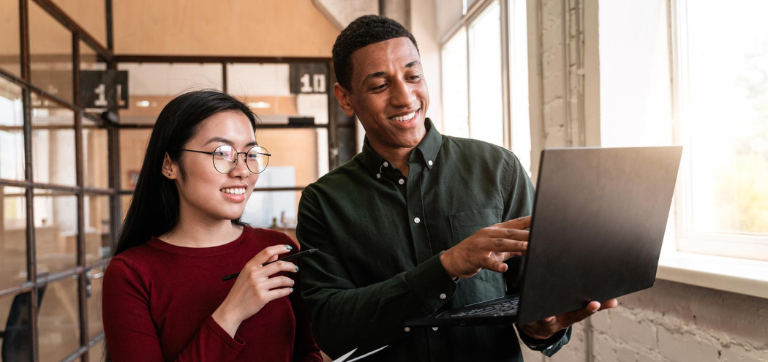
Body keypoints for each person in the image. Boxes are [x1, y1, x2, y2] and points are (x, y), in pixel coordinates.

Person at [296, 15, 617, 362]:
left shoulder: (499, 169)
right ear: (345, 98)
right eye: (379, 86)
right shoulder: (323, 202)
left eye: (413, 76)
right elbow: (331, 328)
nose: (405, 98)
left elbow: (535, 296)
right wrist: (446, 265)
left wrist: (543, 328)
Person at [102, 90, 322, 362]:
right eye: (222, 152)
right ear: (170, 164)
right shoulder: (131, 274)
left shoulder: (276, 249)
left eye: (249, 154)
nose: (242, 170)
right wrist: (231, 313)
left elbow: (306, 352)